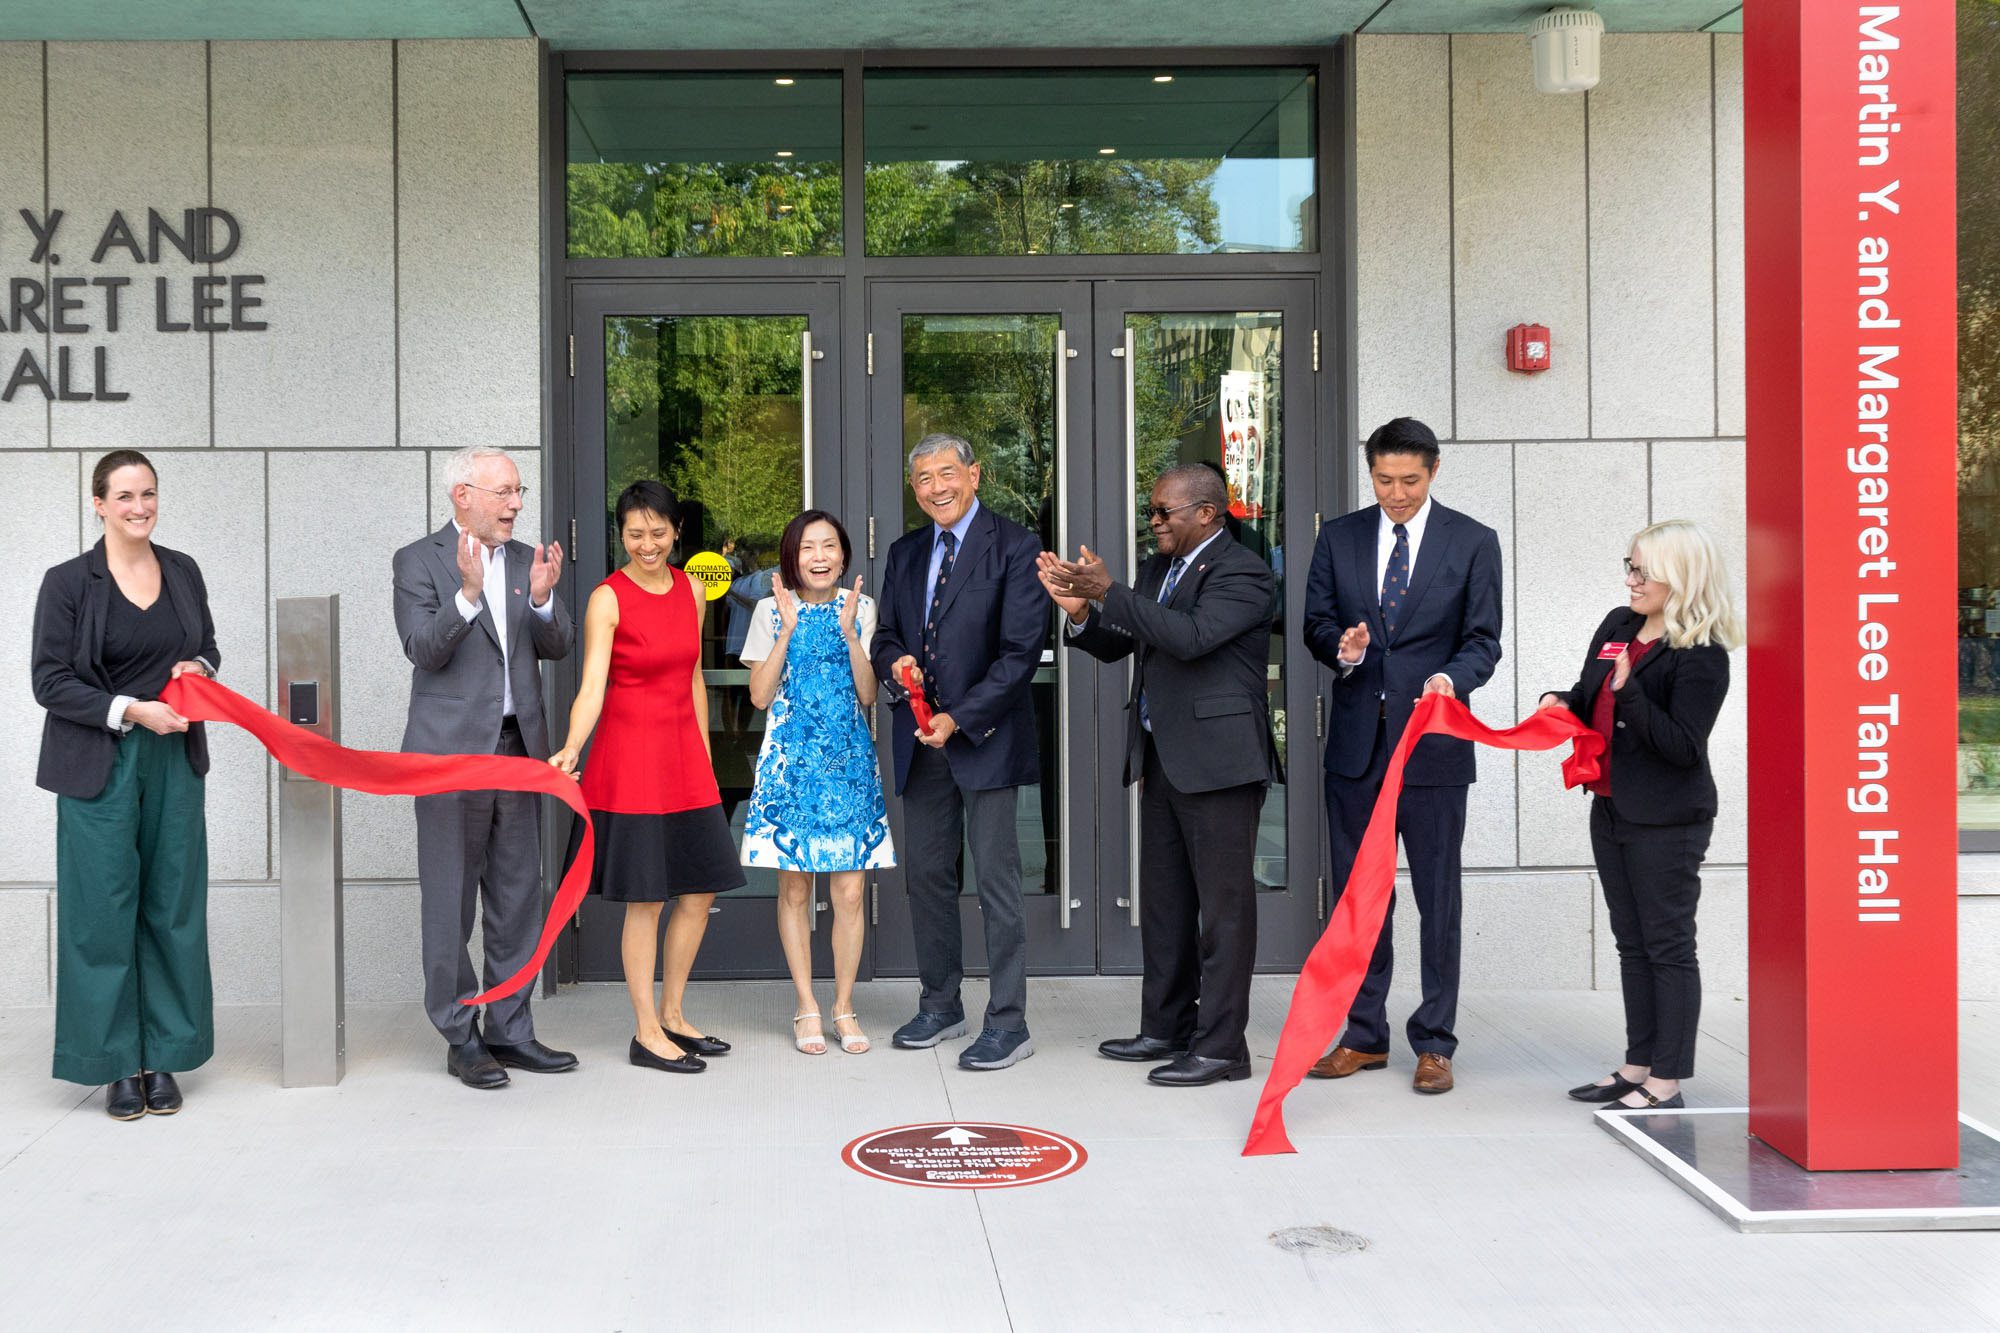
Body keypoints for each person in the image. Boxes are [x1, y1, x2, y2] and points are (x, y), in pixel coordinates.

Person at [1042, 463, 1281, 1087]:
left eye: (1162, 512)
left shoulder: (1244, 573)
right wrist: (1082, 613)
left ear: (1207, 512)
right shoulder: (1156, 571)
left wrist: (1109, 593)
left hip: (1222, 763)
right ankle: (1167, 1027)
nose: (1153, 523)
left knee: (1224, 912)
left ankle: (1224, 1047)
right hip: (1162, 755)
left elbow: (1192, 636)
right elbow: (1125, 640)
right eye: (1151, 511)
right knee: (1168, 902)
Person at [1301, 416, 1502, 1095]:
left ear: (1434, 471)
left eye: (1409, 481)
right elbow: (1315, 623)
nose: (1396, 493)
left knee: (1438, 898)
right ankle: (1363, 1033)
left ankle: (1435, 1041)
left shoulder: (1473, 542)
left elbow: (1483, 639)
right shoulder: (1340, 537)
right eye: (1384, 480)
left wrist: (1453, 679)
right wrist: (1344, 650)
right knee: (1361, 899)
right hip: (1358, 747)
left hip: (1434, 746)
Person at [32, 450, 219, 1120]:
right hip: (98, 760)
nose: (139, 506)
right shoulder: (68, 583)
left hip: (173, 757)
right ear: (99, 503)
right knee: (102, 910)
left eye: (149, 493)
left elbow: (209, 648)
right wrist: (130, 709)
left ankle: (163, 1053)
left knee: (171, 903)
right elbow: (48, 680)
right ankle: (116, 1062)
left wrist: (195, 663)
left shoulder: (183, 570)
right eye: (125, 495)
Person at [1539, 519, 1740, 1112]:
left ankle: (1667, 1080)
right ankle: (1638, 1063)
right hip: (1611, 804)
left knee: (1668, 945)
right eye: (1629, 565)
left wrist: (1631, 694)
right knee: (1631, 943)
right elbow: (1589, 690)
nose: (1631, 580)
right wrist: (1563, 701)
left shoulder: (1702, 654)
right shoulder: (1618, 625)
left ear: (1679, 576)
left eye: (1641, 570)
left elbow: (1682, 746)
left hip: (1668, 820)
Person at [392, 445, 576, 1090]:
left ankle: (510, 1030)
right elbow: (422, 650)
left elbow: (556, 647)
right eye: (504, 493)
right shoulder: (419, 561)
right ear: (462, 495)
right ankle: (458, 1033)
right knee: (449, 900)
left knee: (518, 897)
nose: (516, 505)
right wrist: (468, 596)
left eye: (519, 492)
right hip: (449, 757)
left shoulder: (529, 562)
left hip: (518, 751)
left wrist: (547, 604)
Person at [550, 480, 745, 1075]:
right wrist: (570, 747)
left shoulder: (692, 589)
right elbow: (592, 687)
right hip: (630, 759)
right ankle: (644, 1031)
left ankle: (675, 1014)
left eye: (658, 533)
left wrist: (707, 758)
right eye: (635, 534)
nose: (647, 544)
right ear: (622, 535)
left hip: (685, 755)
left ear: (677, 531)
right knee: (647, 899)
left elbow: (692, 678)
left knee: (701, 888)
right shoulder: (607, 599)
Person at [871, 432, 1045, 1070]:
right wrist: (897, 665)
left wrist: (958, 717)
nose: (937, 487)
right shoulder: (906, 551)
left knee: (997, 882)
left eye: (948, 473)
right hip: (921, 745)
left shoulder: (1017, 546)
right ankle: (940, 1002)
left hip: (986, 741)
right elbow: (884, 634)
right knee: (928, 879)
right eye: (924, 478)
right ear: (913, 487)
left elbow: (1019, 654)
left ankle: (1009, 1022)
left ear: (975, 474)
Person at [739, 510, 895, 1055]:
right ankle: (806, 1005)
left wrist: (853, 634)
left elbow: (870, 694)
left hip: (849, 763)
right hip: (790, 764)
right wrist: (785, 629)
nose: (820, 556)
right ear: (792, 556)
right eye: (809, 547)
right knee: (795, 888)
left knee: (849, 890)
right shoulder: (767, 608)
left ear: (845, 555)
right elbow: (758, 696)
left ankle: (844, 1008)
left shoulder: (865, 608)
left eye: (830, 546)